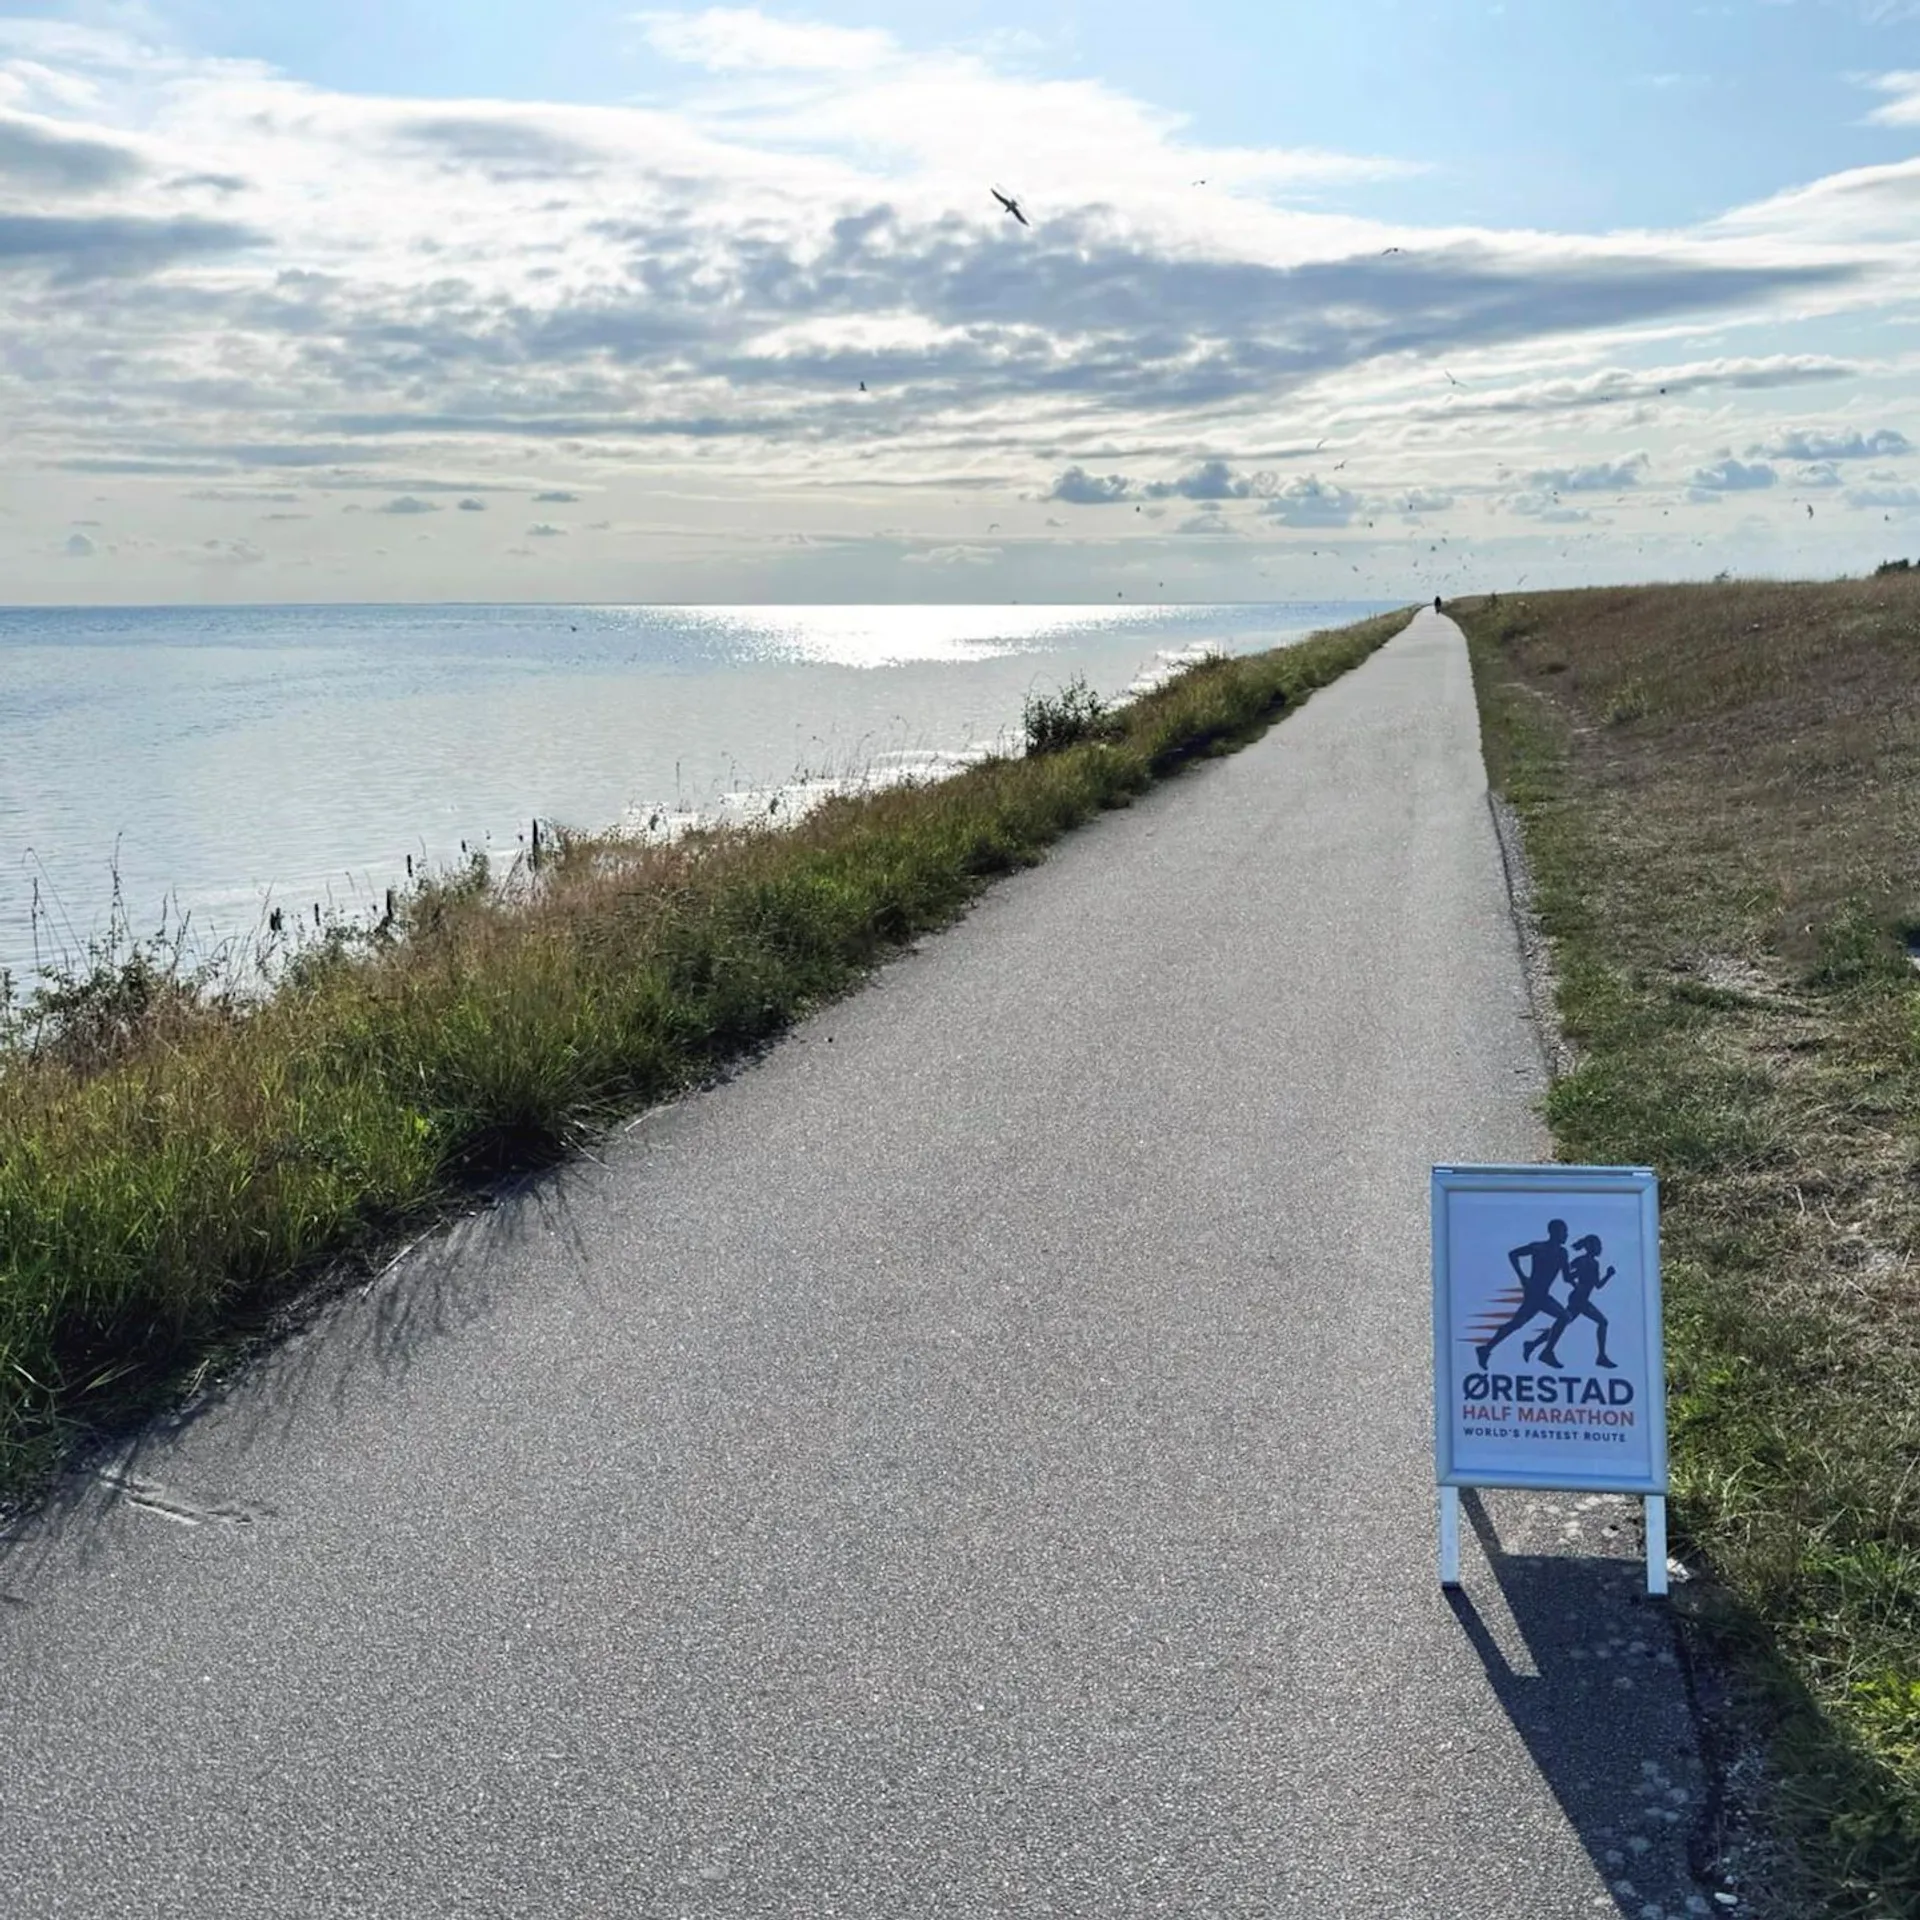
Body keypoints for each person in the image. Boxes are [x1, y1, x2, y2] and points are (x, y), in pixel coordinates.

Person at [1474, 1219, 1571, 1368]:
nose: (1566, 1235)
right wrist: (1522, 1277)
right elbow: (1513, 1254)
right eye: (1564, 1231)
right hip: (1534, 1294)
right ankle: (1544, 1351)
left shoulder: (1563, 1253)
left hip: (1543, 1295)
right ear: (1555, 1232)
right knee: (1562, 1317)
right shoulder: (1538, 1247)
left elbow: (1566, 1277)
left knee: (1518, 1323)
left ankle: (1487, 1349)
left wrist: (1584, 1276)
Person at [1526, 1233, 1617, 1369]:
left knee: (1561, 1324)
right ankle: (1601, 1357)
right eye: (1598, 1245)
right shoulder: (1581, 1261)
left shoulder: (1595, 1263)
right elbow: (1567, 1276)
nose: (1600, 1248)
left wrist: (1608, 1276)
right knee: (1602, 1322)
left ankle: (1533, 1345)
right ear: (1591, 1247)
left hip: (1582, 1299)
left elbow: (1597, 1285)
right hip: (1577, 1299)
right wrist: (1576, 1282)